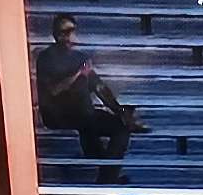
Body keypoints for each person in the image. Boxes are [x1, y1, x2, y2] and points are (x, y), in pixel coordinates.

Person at [36, 13, 149, 185]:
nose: (69, 36)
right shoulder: (46, 58)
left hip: (84, 114)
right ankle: (106, 174)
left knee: (120, 126)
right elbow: (53, 90)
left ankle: (106, 174)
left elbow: (99, 87)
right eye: (65, 31)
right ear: (56, 34)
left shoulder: (79, 57)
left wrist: (120, 112)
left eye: (72, 31)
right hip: (59, 116)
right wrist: (77, 75)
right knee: (91, 125)